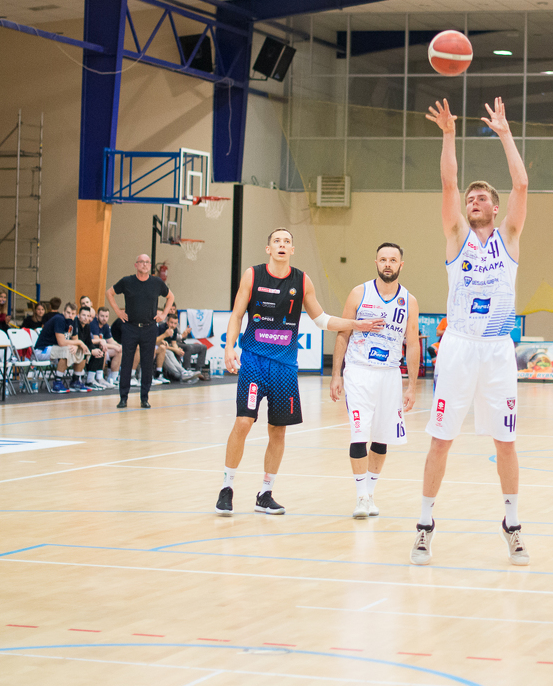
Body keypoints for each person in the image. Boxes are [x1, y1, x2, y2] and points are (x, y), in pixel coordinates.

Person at [413, 96, 531, 567]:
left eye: (481, 198)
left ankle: (512, 524)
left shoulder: (509, 238)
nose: (472, 201)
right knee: (441, 439)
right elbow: (448, 182)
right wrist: (448, 134)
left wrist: (505, 134)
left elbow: (522, 184)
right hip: (459, 348)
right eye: (470, 199)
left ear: (496, 208)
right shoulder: (457, 238)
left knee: (506, 441)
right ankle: (424, 525)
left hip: (498, 349)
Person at [216, 228, 381, 516]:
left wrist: (355, 324)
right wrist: (229, 346)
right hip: (254, 361)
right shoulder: (252, 275)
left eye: (287, 242)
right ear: (268, 248)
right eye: (277, 241)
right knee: (243, 422)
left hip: (284, 367)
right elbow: (237, 314)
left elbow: (321, 319)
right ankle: (227, 487)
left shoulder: (302, 280)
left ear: (292, 249)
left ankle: (265, 493)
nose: (282, 245)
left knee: (277, 430)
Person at [330, 242, 421, 519]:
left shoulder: (409, 300)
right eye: (383, 259)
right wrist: (336, 374)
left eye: (393, 260)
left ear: (401, 265)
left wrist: (412, 386)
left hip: (390, 374)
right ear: (376, 263)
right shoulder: (359, 293)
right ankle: (360, 497)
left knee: (382, 438)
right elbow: (343, 333)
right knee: (359, 434)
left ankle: (369, 494)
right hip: (358, 371)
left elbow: (413, 343)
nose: (387, 264)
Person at [107, 254, 175, 410]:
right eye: (141, 262)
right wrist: (118, 311)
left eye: (147, 262)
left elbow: (171, 297)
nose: (144, 264)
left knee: (147, 364)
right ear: (136, 265)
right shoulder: (127, 281)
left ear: (150, 266)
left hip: (149, 328)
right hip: (130, 327)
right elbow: (109, 293)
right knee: (126, 362)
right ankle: (123, 398)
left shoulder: (157, 283)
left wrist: (164, 314)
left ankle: (144, 398)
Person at [35, 302, 90, 393]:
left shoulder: (73, 321)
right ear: (63, 312)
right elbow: (62, 342)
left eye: (72, 313)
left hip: (56, 349)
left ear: (75, 314)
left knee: (83, 350)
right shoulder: (59, 319)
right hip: (43, 349)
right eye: (68, 313)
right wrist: (79, 343)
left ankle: (76, 380)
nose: (70, 315)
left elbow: (75, 340)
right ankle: (57, 382)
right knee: (67, 350)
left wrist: (77, 346)